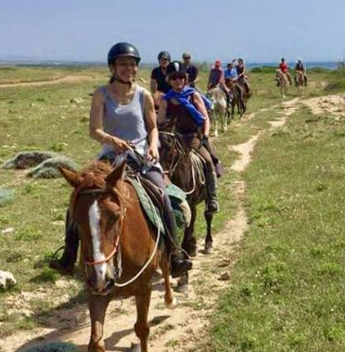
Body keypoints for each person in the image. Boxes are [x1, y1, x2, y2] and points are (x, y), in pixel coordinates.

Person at [51, 42, 192, 277]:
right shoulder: (101, 94)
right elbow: (94, 130)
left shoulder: (143, 95)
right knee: (79, 199)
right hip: (110, 159)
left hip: (141, 157)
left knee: (162, 194)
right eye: (123, 64)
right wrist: (112, 140)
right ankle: (68, 255)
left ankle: (175, 253)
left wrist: (154, 148)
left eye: (133, 64)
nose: (129, 68)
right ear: (113, 67)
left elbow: (152, 128)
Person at [159, 62, 219, 214]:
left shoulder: (193, 96)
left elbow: (205, 118)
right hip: (174, 140)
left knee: (208, 161)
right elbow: (160, 122)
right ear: (169, 80)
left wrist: (205, 136)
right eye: (174, 78)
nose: (178, 81)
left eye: (180, 77)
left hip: (193, 138)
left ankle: (212, 197)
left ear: (185, 79)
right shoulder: (166, 100)